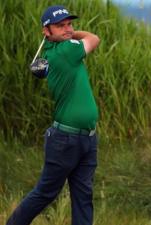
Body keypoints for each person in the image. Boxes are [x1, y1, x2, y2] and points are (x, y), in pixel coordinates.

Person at [7, 5, 100, 225]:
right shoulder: (66, 51)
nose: (68, 29)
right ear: (46, 32)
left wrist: (62, 33)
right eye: (61, 25)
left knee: (83, 195)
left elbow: (68, 41)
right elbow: (94, 38)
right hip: (65, 140)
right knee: (46, 193)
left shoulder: (54, 51)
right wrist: (71, 35)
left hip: (87, 137)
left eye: (70, 24)